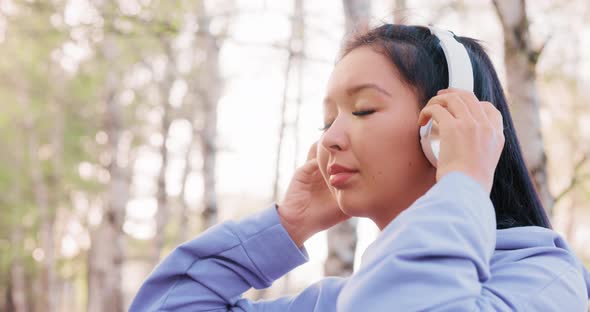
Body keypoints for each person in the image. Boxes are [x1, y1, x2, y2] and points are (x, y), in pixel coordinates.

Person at [129, 24, 590, 311]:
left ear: (443, 127)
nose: (327, 139)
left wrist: (464, 180)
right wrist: (287, 225)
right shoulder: (340, 300)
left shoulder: (544, 281)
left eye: (364, 109)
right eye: (327, 121)